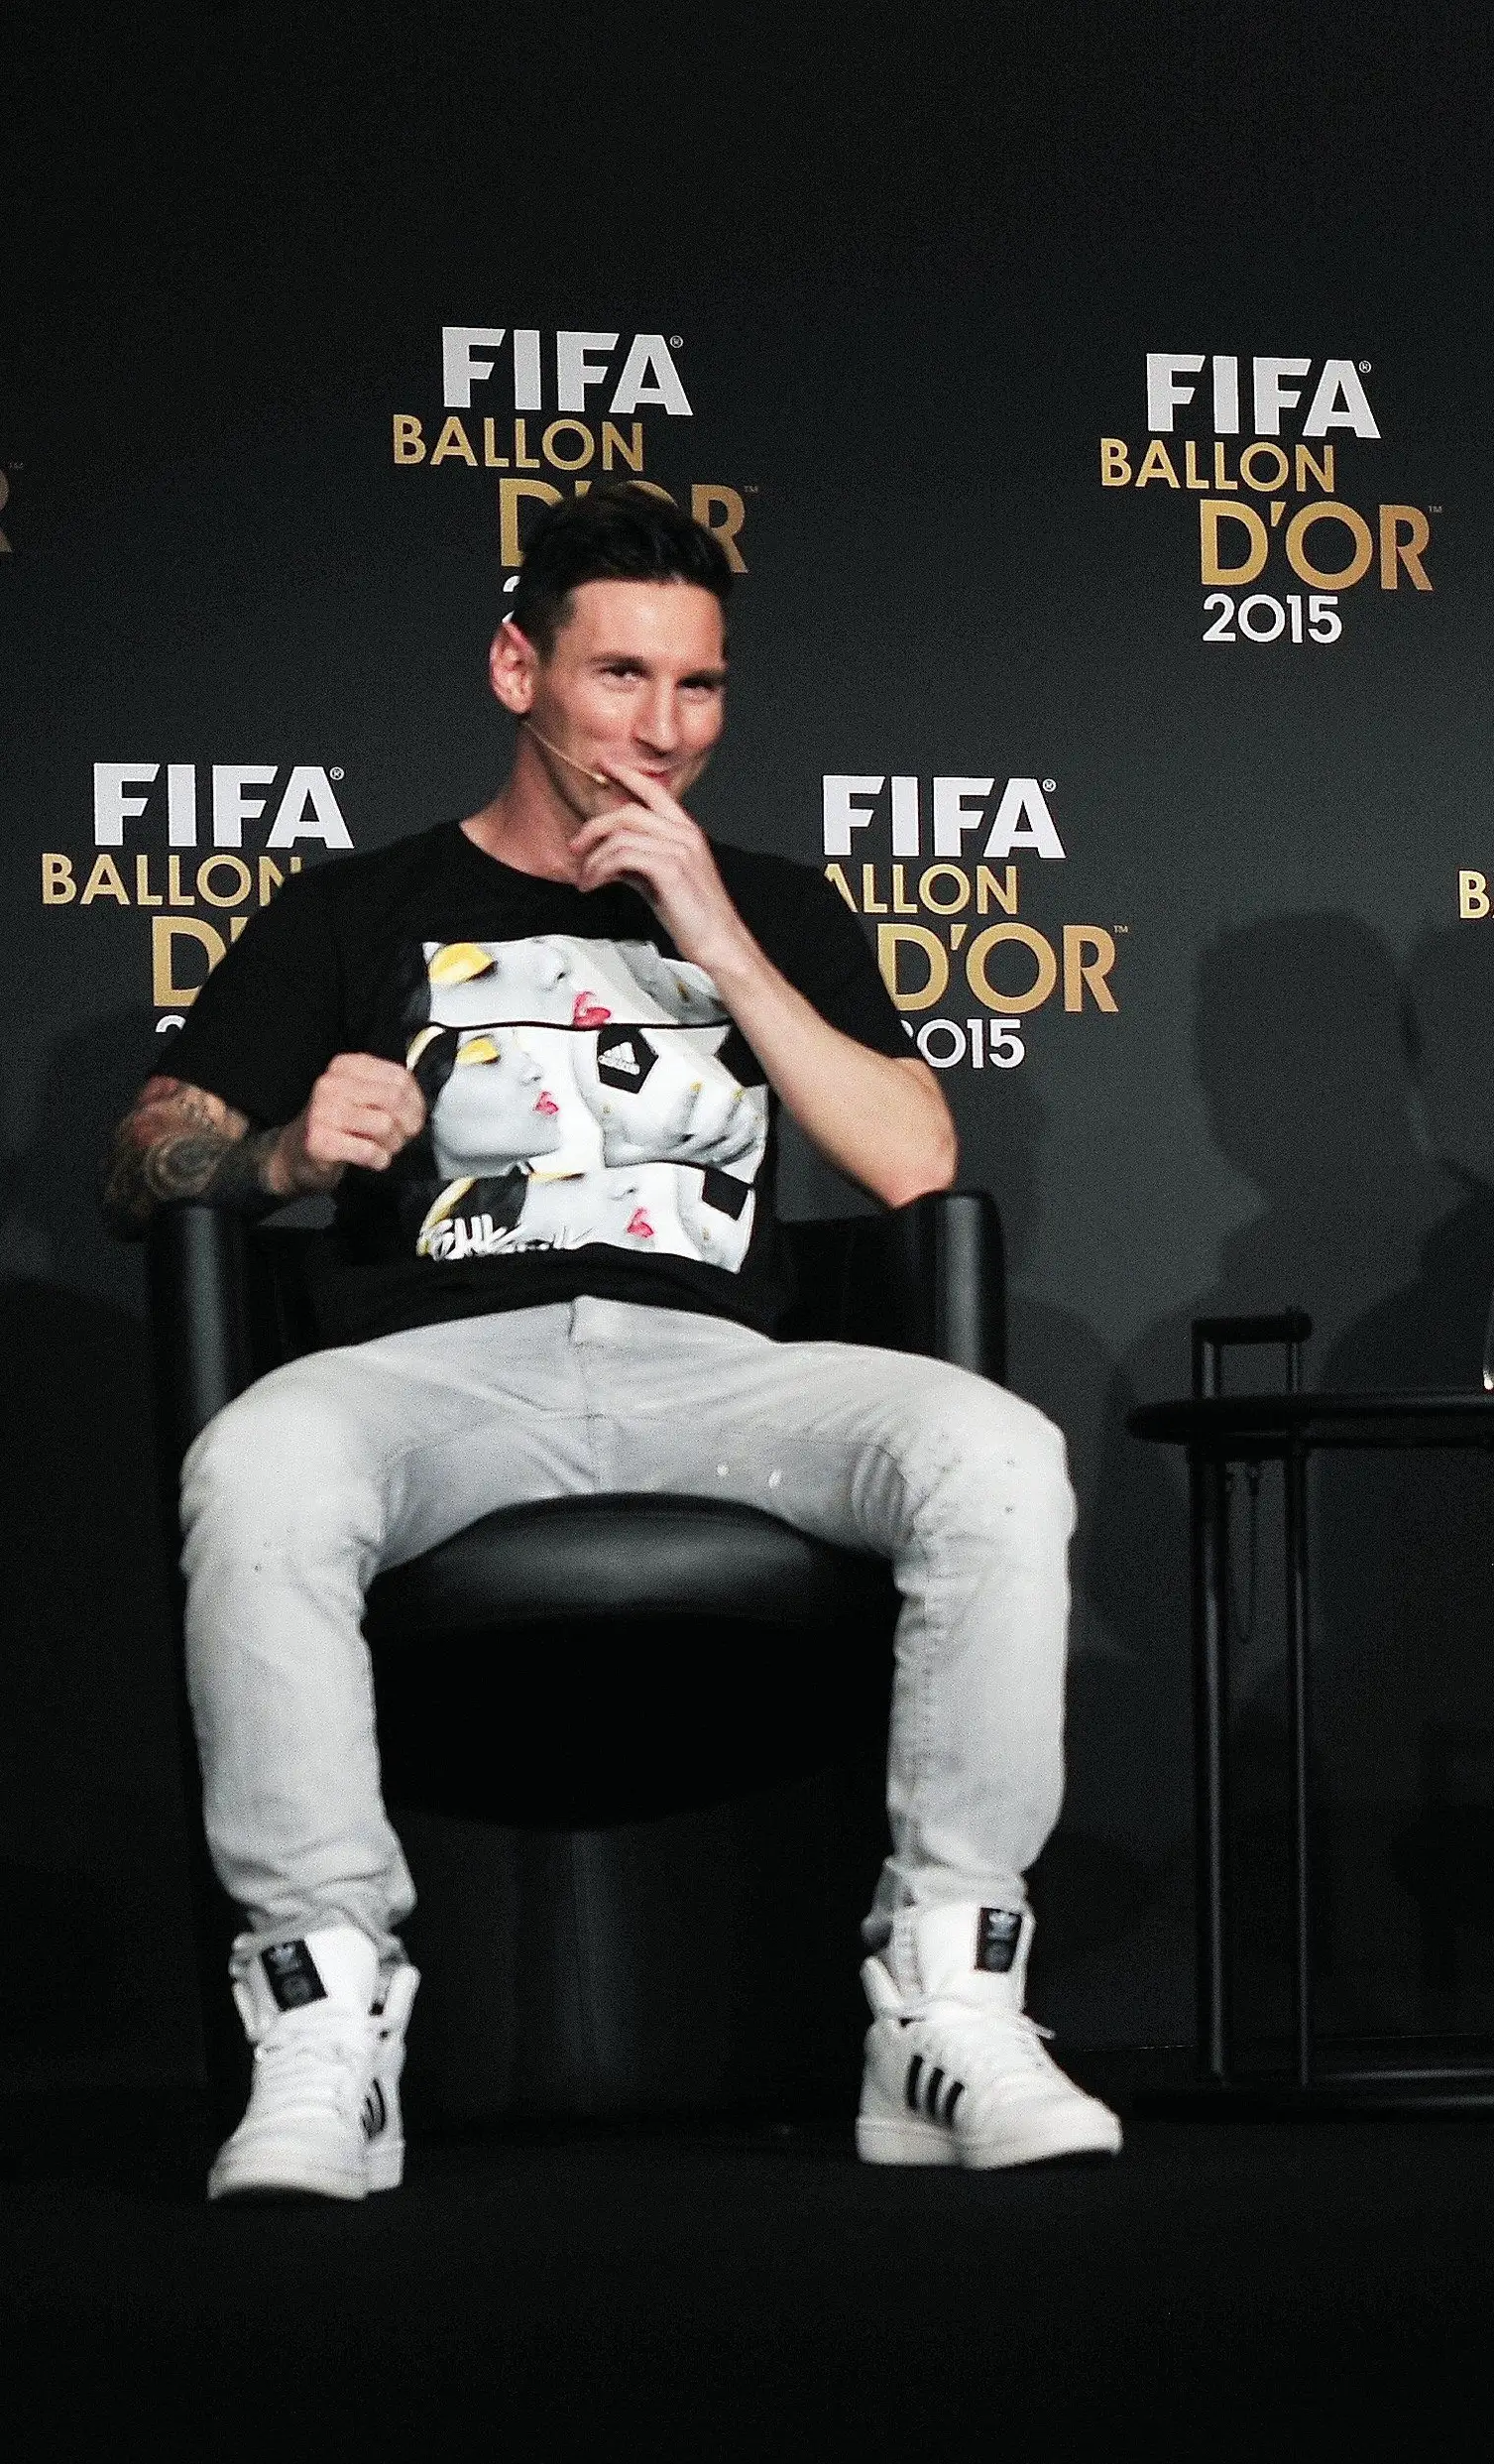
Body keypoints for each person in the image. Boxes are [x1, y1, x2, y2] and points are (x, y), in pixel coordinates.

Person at [105, 488, 1121, 2197]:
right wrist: (278, 1153)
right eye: (620, 676)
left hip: (719, 1378)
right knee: (258, 1460)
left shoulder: (773, 909)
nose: (660, 728)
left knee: (997, 1453)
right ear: (519, 667)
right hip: (443, 1371)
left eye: (700, 687)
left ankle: (946, 2004)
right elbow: (145, 1161)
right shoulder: (359, 912)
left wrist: (712, 928)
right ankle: (324, 2025)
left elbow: (913, 1163)